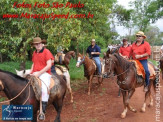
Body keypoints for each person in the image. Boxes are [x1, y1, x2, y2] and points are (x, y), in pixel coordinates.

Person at [30, 37, 54, 119]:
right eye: (36, 44)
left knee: (44, 89)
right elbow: (33, 63)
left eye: (39, 43)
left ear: (41, 43)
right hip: (35, 72)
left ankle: (42, 112)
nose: (38, 45)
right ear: (34, 45)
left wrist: (39, 73)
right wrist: (31, 72)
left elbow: (49, 65)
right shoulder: (34, 53)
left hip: (44, 73)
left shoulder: (46, 52)